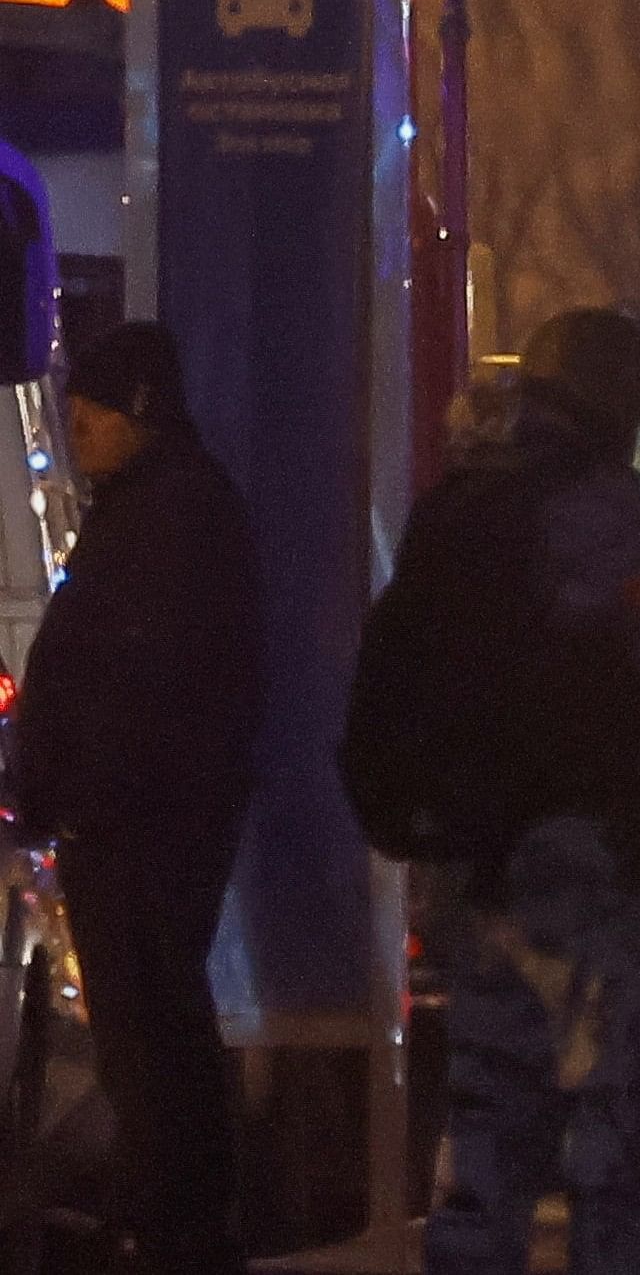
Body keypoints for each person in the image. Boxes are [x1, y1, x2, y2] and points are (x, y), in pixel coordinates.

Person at [369, 308, 640, 1275]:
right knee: (612, 1133)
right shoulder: (602, 512)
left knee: (488, 1134)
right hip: (587, 861)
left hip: (476, 860)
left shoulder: (460, 505)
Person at [15, 323, 260, 1275]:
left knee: (151, 1034)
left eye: (98, 407)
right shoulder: (153, 507)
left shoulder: (168, 517)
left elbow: (141, 682)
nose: (77, 423)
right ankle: (171, 1218)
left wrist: (88, 795)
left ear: (144, 412)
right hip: (140, 820)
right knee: (151, 1032)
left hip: (140, 828)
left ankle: (174, 1229)